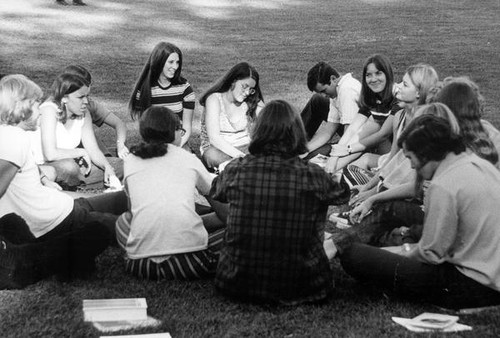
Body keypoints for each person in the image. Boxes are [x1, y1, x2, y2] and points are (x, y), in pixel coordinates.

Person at [338, 115, 500, 309]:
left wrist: (388, 254)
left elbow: (431, 254)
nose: (413, 166)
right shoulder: (478, 164)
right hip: (490, 276)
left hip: (468, 286)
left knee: (353, 254)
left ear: (425, 153)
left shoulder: (443, 185)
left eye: (410, 159)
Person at [210, 100, 349, 305]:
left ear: (258, 131)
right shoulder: (313, 175)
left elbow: (216, 191)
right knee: (349, 237)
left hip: (236, 282)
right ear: (297, 133)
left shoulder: (237, 169)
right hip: (305, 285)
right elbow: (342, 194)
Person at [0, 75, 127, 289]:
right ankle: (188, 222)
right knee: (116, 227)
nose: (39, 110)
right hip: (58, 219)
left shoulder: (7, 136)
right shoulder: (15, 139)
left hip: (58, 209)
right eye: (34, 103)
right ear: (19, 107)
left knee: (120, 200)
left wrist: (41, 177)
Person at [115, 106, 225, 281]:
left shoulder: (131, 161)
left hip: (140, 265)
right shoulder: (188, 159)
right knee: (234, 231)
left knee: (123, 221)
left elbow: (133, 213)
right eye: (180, 129)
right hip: (190, 263)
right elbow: (224, 211)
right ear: (173, 132)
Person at [31, 72, 123, 190]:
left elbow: (93, 149)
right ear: (64, 98)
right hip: (42, 167)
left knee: (119, 165)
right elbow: (50, 154)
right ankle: (75, 186)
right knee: (69, 167)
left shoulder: (84, 114)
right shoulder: (49, 110)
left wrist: (107, 167)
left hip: (73, 168)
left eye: (87, 96)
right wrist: (81, 152)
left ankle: (74, 186)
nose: (86, 101)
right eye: (80, 97)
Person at [325, 54, 399, 174]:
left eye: (378, 73)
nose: (373, 79)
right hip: (382, 150)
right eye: (368, 75)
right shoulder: (372, 98)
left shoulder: (399, 97)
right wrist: (334, 156)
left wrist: (347, 150)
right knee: (369, 126)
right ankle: (331, 170)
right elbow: (353, 128)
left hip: (398, 156)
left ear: (388, 74)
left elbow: (382, 135)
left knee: (373, 126)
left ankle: (330, 172)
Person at [129, 42, 195, 150]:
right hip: (154, 143)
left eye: (177, 62)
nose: (175, 67)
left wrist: (177, 147)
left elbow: (187, 127)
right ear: (159, 62)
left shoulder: (184, 88)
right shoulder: (145, 90)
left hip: (178, 142)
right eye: (171, 62)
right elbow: (144, 128)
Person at [199, 62, 264, 169]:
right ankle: (246, 169)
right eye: (244, 86)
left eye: (251, 89)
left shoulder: (250, 101)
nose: (247, 92)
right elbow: (214, 139)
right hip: (219, 149)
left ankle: (241, 169)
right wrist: (243, 158)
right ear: (233, 80)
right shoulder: (214, 99)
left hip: (246, 147)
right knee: (211, 155)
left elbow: (272, 122)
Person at [62, 65, 129, 158]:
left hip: (95, 154)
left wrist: (120, 145)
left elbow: (119, 123)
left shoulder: (89, 104)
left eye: (89, 84)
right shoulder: (52, 109)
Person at [300, 61, 361, 160]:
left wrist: (334, 159)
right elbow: (328, 131)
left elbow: (350, 136)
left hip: (359, 145)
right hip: (353, 140)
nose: (324, 96)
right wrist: (305, 149)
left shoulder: (347, 91)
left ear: (333, 79)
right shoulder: (338, 90)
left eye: (324, 91)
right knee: (308, 154)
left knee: (312, 157)